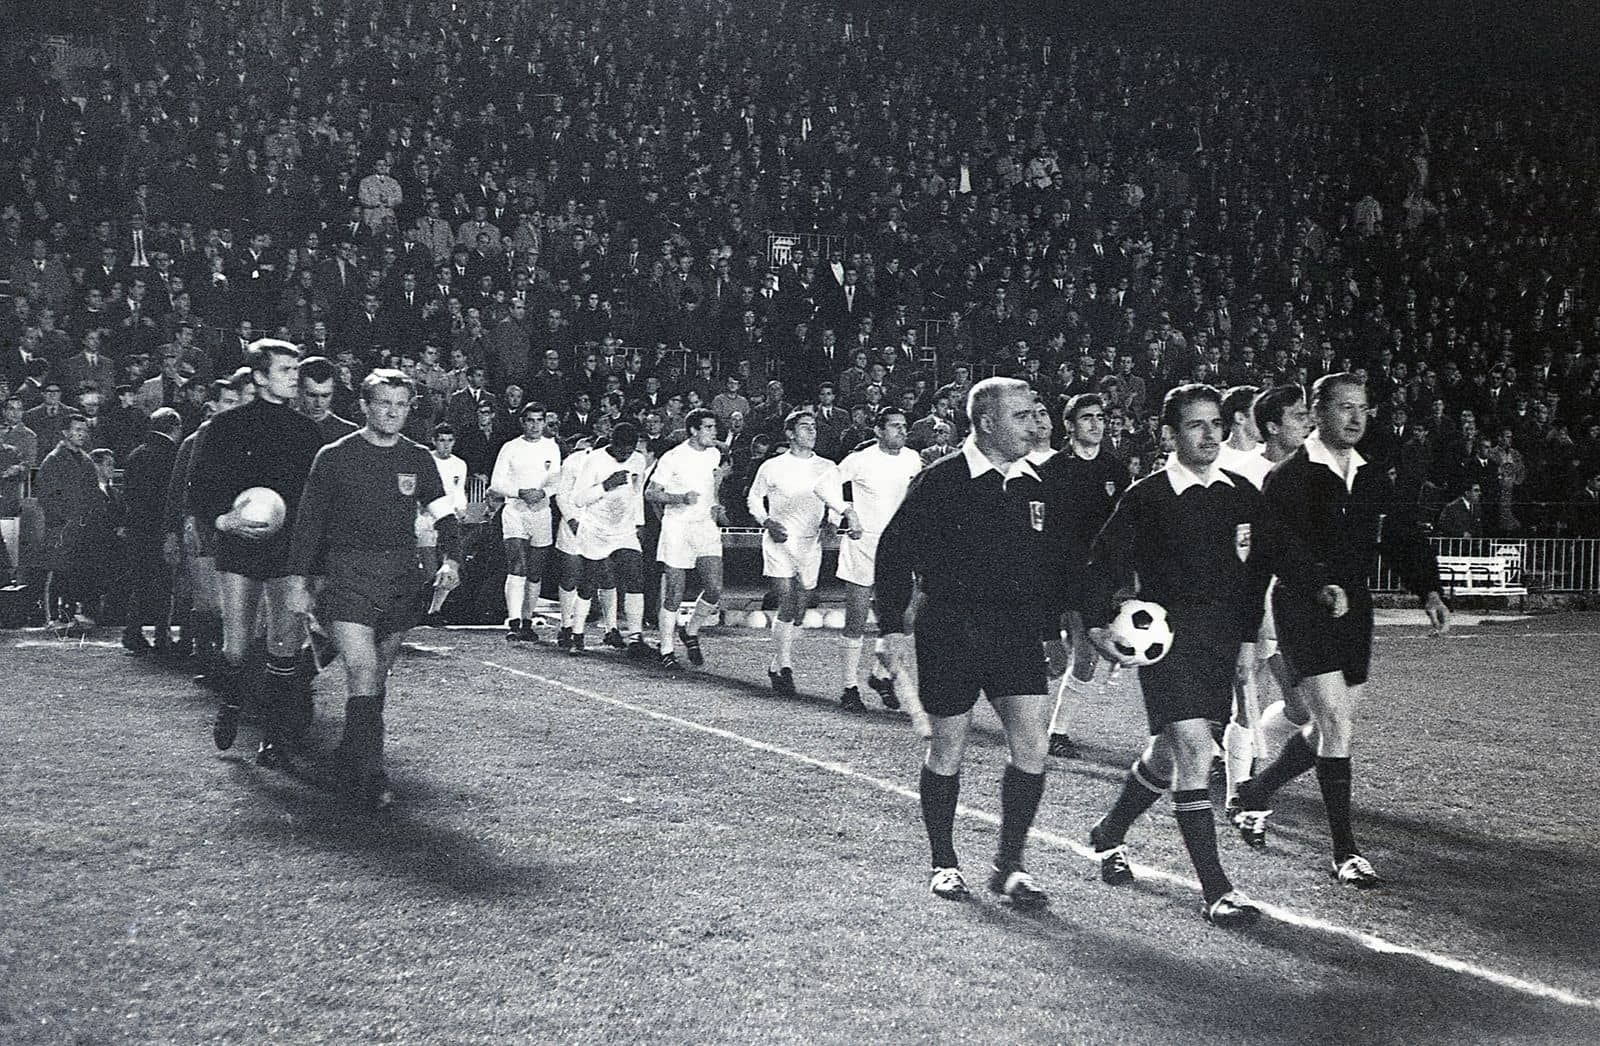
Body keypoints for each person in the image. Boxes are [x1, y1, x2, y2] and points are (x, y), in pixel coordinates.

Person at [1081, 384, 1345, 927]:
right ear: (1168, 434)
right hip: (1167, 645)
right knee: (1196, 751)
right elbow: (1100, 561)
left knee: (1166, 754)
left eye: (1216, 424)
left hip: (1219, 643)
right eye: (1195, 425)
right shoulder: (1146, 496)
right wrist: (1102, 617)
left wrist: (1318, 585)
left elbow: (1276, 554)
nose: (1209, 434)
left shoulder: (1237, 493)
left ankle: (1109, 832)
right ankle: (1217, 889)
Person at [1233, 373, 1450, 887]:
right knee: (1336, 723)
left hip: (1356, 611)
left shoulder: (1372, 475)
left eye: (1363, 408)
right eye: (1344, 408)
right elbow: (1273, 552)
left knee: (1332, 723)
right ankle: (1345, 852)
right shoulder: (1289, 477)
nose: (1356, 418)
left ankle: (1258, 792)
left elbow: (1401, 534)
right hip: (1305, 609)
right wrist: (1315, 587)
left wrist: (1430, 590)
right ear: (1318, 413)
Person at [875, 377, 1052, 908]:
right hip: (952, 627)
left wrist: (1053, 627)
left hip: (1014, 630)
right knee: (948, 747)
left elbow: (1045, 564)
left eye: (1035, 414)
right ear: (988, 422)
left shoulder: (1033, 484)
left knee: (1033, 745)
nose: (1036, 424)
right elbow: (892, 553)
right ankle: (944, 863)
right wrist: (891, 628)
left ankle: (1009, 866)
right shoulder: (941, 481)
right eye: (1022, 416)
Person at [285, 369, 462, 809]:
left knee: (376, 676)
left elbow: (445, 517)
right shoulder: (334, 456)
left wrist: (453, 559)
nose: (392, 412)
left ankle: (351, 755)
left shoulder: (418, 458)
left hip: (400, 580)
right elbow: (308, 526)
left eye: (401, 404)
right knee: (362, 669)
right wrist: (297, 582)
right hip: (347, 577)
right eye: (384, 402)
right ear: (364, 406)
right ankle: (370, 774)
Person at [187, 340, 323, 765]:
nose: (294, 376)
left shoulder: (306, 431)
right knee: (237, 647)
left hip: (287, 549)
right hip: (239, 545)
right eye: (285, 369)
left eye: (296, 369)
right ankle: (232, 700)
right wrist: (223, 520)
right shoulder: (226, 427)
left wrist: (312, 554)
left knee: (284, 644)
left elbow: (314, 499)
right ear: (260, 376)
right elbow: (201, 488)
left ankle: (274, 739)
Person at [1038, 393, 1129, 758]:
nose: (1096, 423)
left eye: (1101, 417)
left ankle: (1057, 732)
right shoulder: (1052, 471)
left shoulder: (1116, 470)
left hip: (1095, 578)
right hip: (1056, 575)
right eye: (1087, 417)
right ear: (1070, 425)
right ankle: (1003, 682)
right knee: (1058, 661)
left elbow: (1125, 527)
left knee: (1085, 657)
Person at [815, 406, 922, 710]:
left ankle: (879, 675)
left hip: (900, 548)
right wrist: (847, 511)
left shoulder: (913, 458)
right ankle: (849, 687)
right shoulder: (860, 460)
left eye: (904, 425)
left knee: (903, 620)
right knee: (857, 620)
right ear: (878, 430)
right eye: (894, 426)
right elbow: (823, 485)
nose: (902, 431)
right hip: (864, 545)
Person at [746, 410, 833, 694]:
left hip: (810, 543)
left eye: (814, 427)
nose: (812, 431)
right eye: (805, 427)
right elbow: (754, 499)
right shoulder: (772, 466)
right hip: (779, 540)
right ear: (790, 434)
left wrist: (832, 523)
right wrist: (767, 521)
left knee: (799, 607)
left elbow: (836, 501)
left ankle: (775, 663)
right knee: (786, 597)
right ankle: (785, 666)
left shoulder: (828, 466)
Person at [645, 408, 727, 671]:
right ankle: (666, 649)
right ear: (694, 430)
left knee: (714, 588)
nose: (714, 433)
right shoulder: (673, 457)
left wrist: (717, 505)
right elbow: (651, 493)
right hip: (677, 526)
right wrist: (680, 499)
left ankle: (690, 631)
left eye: (714, 427)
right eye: (708, 428)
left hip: (704, 526)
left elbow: (712, 488)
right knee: (675, 591)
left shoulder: (714, 454)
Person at [568, 423, 651, 658]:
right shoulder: (594, 460)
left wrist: (640, 523)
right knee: (588, 583)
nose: (626, 455)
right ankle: (577, 634)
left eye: (630, 450)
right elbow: (578, 498)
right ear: (612, 444)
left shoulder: (638, 460)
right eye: (622, 450)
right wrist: (606, 485)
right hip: (595, 529)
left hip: (624, 529)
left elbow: (637, 493)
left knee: (635, 578)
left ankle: (635, 638)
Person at [488, 402, 562, 642]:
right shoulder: (510, 448)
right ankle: (514, 621)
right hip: (515, 512)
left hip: (541, 513)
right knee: (517, 565)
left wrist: (543, 494)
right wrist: (520, 492)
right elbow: (496, 484)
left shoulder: (552, 448)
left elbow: (556, 481)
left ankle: (528, 620)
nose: (535, 425)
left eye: (539, 420)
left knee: (535, 571)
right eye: (530, 420)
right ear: (523, 422)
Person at [120, 408, 184, 656]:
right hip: (162, 529)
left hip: (137, 529)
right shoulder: (172, 456)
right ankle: (162, 635)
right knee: (164, 583)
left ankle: (133, 631)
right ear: (174, 427)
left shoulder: (136, 455)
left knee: (140, 581)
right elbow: (173, 498)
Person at [35, 414, 100, 627]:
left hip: (82, 527)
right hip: (61, 527)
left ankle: (71, 613)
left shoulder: (87, 461)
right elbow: (46, 496)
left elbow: (93, 495)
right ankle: (54, 617)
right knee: (59, 572)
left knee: (76, 572)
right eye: (77, 430)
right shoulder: (53, 460)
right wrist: (65, 519)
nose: (82, 434)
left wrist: (88, 519)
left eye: (84, 430)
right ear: (65, 432)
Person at [418, 423, 469, 622]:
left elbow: (458, 491)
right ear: (434, 441)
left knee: (450, 565)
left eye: (449, 441)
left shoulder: (460, 464)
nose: (446, 445)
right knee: (429, 567)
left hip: (448, 520)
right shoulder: (425, 460)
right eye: (441, 441)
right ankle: (421, 608)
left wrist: (461, 507)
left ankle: (434, 611)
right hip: (424, 519)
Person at [297, 355, 359, 444]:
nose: (319, 403)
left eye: (325, 396)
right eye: (312, 395)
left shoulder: (349, 432)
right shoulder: (282, 426)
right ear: (298, 391)